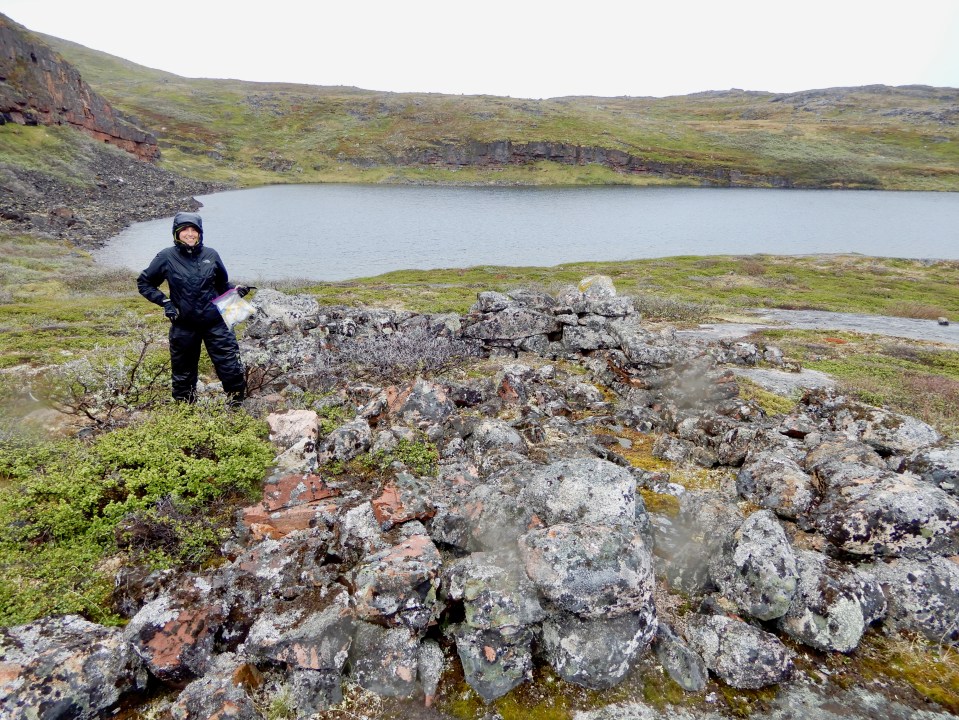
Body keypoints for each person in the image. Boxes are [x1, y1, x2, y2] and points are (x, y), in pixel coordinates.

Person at [137, 211, 250, 406]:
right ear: (176, 233)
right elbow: (144, 282)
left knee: (230, 367)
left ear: (200, 233)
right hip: (184, 324)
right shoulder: (166, 256)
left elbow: (222, 284)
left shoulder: (211, 255)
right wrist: (165, 302)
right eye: (185, 230)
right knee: (183, 373)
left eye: (194, 230)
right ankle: (186, 411)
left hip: (216, 323)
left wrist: (236, 290)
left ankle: (236, 407)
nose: (190, 234)